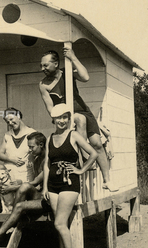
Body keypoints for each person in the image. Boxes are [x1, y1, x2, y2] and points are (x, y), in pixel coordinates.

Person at [39, 47, 118, 192]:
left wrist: (73, 57)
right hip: (64, 115)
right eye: (41, 65)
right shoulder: (43, 84)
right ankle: (84, 156)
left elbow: (85, 77)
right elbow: (50, 109)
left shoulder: (67, 72)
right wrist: (62, 117)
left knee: (97, 144)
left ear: (55, 64)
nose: (42, 68)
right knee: (79, 119)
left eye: (45, 65)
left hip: (83, 110)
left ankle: (107, 181)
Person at [41, 103, 98, 248]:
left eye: (65, 117)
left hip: (69, 183)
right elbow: (46, 164)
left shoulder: (73, 135)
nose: (62, 121)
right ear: (53, 119)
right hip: (52, 184)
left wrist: (81, 170)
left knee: (59, 223)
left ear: (68, 119)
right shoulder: (50, 138)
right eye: (59, 117)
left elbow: (93, 153)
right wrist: (44, 186)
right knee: (61, 224)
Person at [0, 132, 46, 248]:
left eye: (32, 147)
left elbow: (36, 181)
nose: (30, 150)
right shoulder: (36, 159)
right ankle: (4, 229)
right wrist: (18, 183)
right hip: (36, 194)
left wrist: (13, 187)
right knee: (20, 200)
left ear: (41, 145)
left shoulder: (47, 160)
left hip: (45, 198)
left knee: (24, 188)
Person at [0, 108, 36, 209]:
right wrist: (11, 158)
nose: (10, 122)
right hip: (10, 176)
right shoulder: (7, 135)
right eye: (7, 121)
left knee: (23, 201)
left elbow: (38, 152)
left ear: (18, 116)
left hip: (25, 174)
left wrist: (32, 158)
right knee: (10, 203)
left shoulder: (32, 133)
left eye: (11, 119)